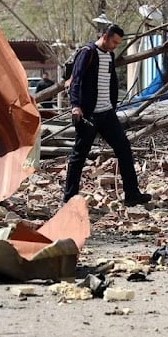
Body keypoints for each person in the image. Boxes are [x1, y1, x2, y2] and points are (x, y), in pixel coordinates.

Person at [63, 24, 153, 207]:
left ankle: (132, 194)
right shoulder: (87, 52)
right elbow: (76, 79)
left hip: (107, 114)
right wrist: (75, 106)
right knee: (79, 156)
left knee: (124, 149)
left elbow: (110, 82)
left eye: (118, 43)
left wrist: (113, 105)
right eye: (113, 41)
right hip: (88, 115)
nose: (115, 46)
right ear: (105, 36)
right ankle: (69, 198)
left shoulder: (110, 56)